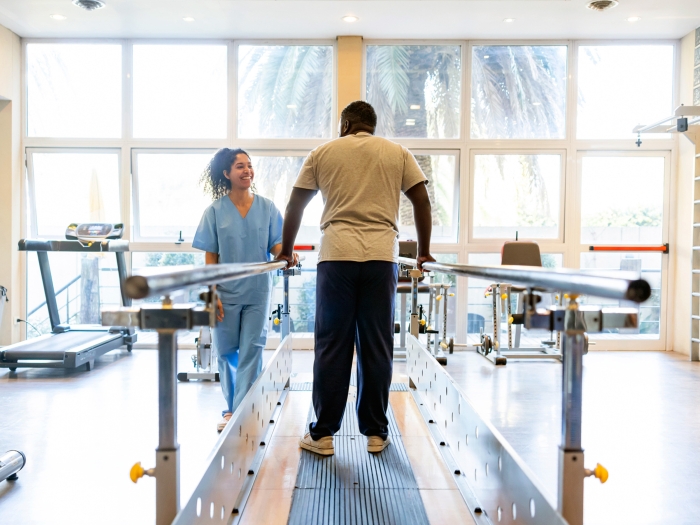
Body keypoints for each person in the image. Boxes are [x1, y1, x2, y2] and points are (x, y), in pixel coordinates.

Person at [275, 101, 435, 456]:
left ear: (345, 123)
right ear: (372, 125)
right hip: (381, 258)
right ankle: (376, 433)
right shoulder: (397, 153)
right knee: (376, 346)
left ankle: (323, 435)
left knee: (333, 346)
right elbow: (421, 202)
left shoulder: (323, 152)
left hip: (336, 257)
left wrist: (287, 250)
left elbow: (295, 205)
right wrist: (423, 252)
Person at [193, 148, 298, 432]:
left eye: (249, 165)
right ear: (226, 173)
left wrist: (286, 254)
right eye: (240, 166)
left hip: (257, 291)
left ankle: (238, 412)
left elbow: (276, 245)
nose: (247, 170)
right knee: (227, 351)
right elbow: (210, 258)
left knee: (252, 349)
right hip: (225, 293)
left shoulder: (267, 207)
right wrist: (212, 294)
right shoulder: (214, 211)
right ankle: (237, 405)